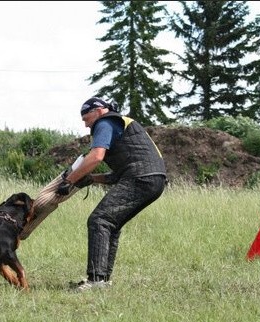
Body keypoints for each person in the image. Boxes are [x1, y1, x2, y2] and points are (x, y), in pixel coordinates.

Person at [22, 96, 166, 292]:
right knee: (111, 225)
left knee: (100, 220)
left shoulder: (105, 122)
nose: (86, 125)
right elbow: (120, 174)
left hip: (141, 178)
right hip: (153, 180)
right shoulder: (122, 125)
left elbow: (96, 156)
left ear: (98, 111)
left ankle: (96, 281)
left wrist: (69, 181)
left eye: (86, 118)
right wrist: (91, 179)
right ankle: (102, 280)